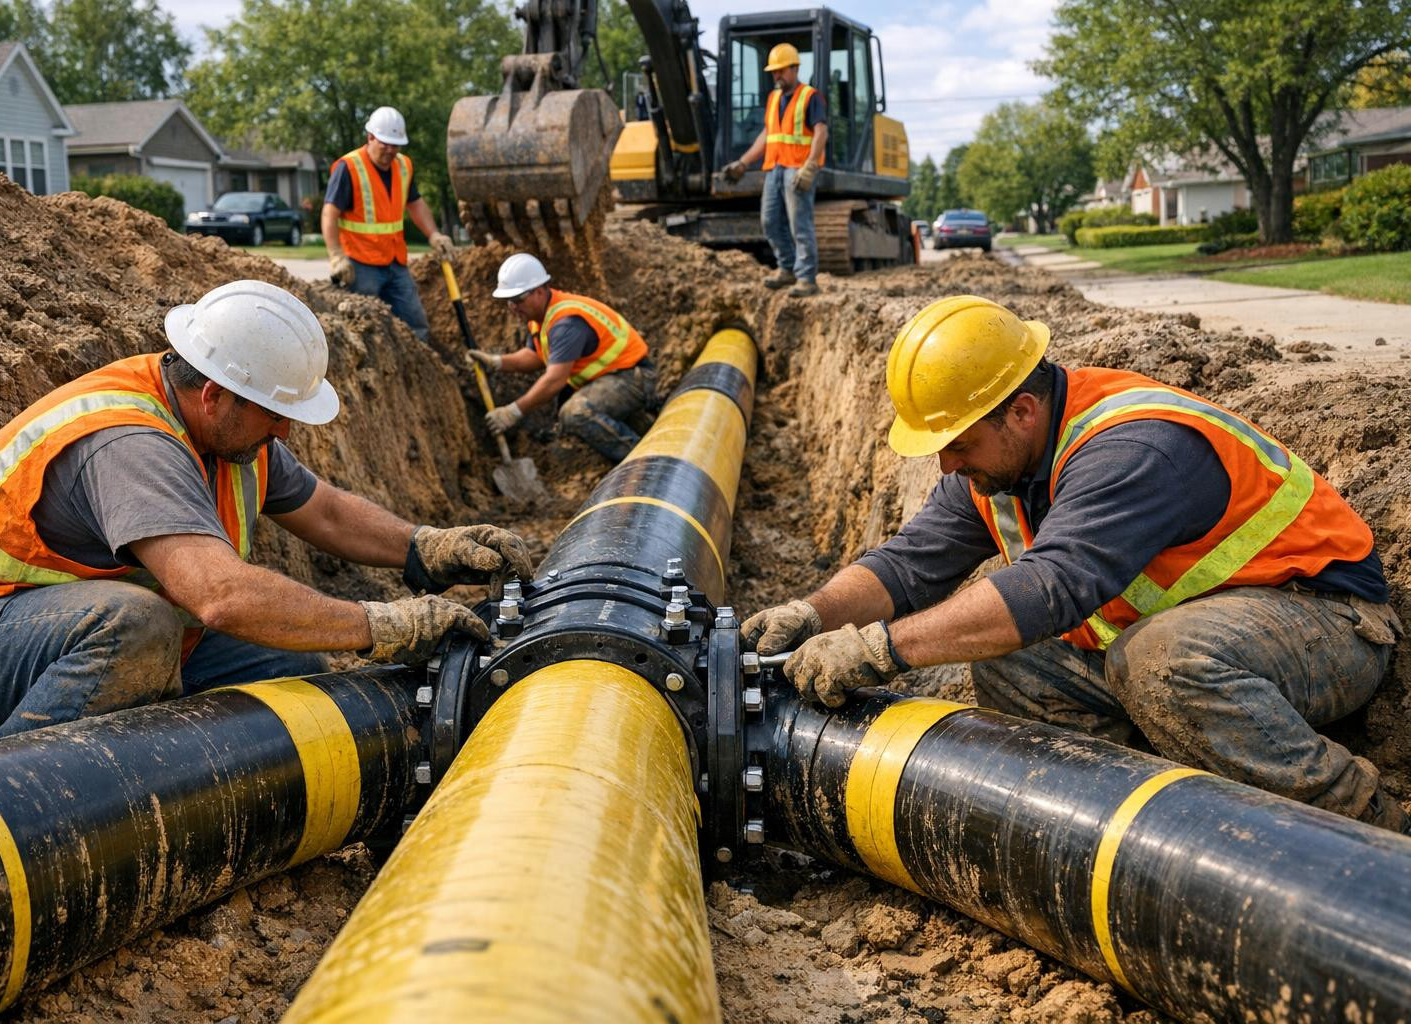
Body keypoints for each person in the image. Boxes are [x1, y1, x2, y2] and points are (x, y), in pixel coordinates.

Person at [743, 294, 1410, 834]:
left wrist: (879, 650)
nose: (946, 464)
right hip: (1209, 638)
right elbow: (909, 565)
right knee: (1013, 657)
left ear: (1023, 412)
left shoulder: (1132, 449)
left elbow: (1049, 587)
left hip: (1327, 623)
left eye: (957, 443)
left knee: (1156, 659)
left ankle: (1360, 825)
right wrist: (813, 613)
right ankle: (1122, 821)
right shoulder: (998, 463)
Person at [0, 280, 530, 739]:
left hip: (64, 629)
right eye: (277, 413)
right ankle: (20, 788)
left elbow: (326, 512)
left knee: (293, 665)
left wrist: (425, 546)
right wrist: (382, 624)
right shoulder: (132, 444)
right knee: (136, 625)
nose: (284, 432)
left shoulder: (229, 431)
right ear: (218, 396)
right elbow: (219, 596)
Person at [466, 253, 656, 464]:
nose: (513, 307)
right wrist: (496, 362)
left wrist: (513, 412)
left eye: (517, 299)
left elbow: (555, 380)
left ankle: (640, 463)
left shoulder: (565, 323)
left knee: (575, 412)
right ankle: (638, 425)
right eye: (508, 301)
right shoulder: (540, 318)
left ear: (538, 291)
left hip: (633, 378)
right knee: (570, 405)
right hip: (611, 378)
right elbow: (535, 357)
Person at [322, 105, 456, 341]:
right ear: (370, 137)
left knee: (416, 322)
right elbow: (329, 214)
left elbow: (415, 204)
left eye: (396, 145)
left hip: (395, 262)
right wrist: (336, 255)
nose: (390, 150)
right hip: (362, 264)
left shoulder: (403, 166)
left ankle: (419, 372)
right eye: (385, 143)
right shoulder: (349, 167)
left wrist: (434, 234)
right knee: (365, 327)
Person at [720, 42, 828, 298]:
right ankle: (787, 268)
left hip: (797, 169)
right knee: (769, 221)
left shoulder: (810, 96)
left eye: (780, 71)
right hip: (775, 168)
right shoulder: (774, 98)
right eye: (773, 72)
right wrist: (743, 163)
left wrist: (810, 166)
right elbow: (769, 134)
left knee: (800, 224)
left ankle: (806, 278)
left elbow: (821, 131)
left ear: (794, 68)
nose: (776, 76)